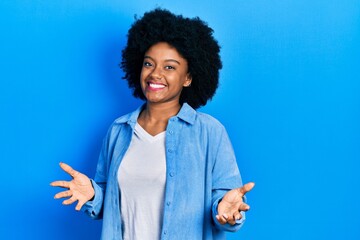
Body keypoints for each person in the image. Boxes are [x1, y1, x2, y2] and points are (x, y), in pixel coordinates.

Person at [51, 8, 255, 240]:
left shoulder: (210, 132)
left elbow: (227, 204)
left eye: (169, 67)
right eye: (149, 64)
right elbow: (114, 201)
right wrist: (92, 195)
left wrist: (226, 212)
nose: (155, 74)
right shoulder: (118, 130)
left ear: (188, 77)